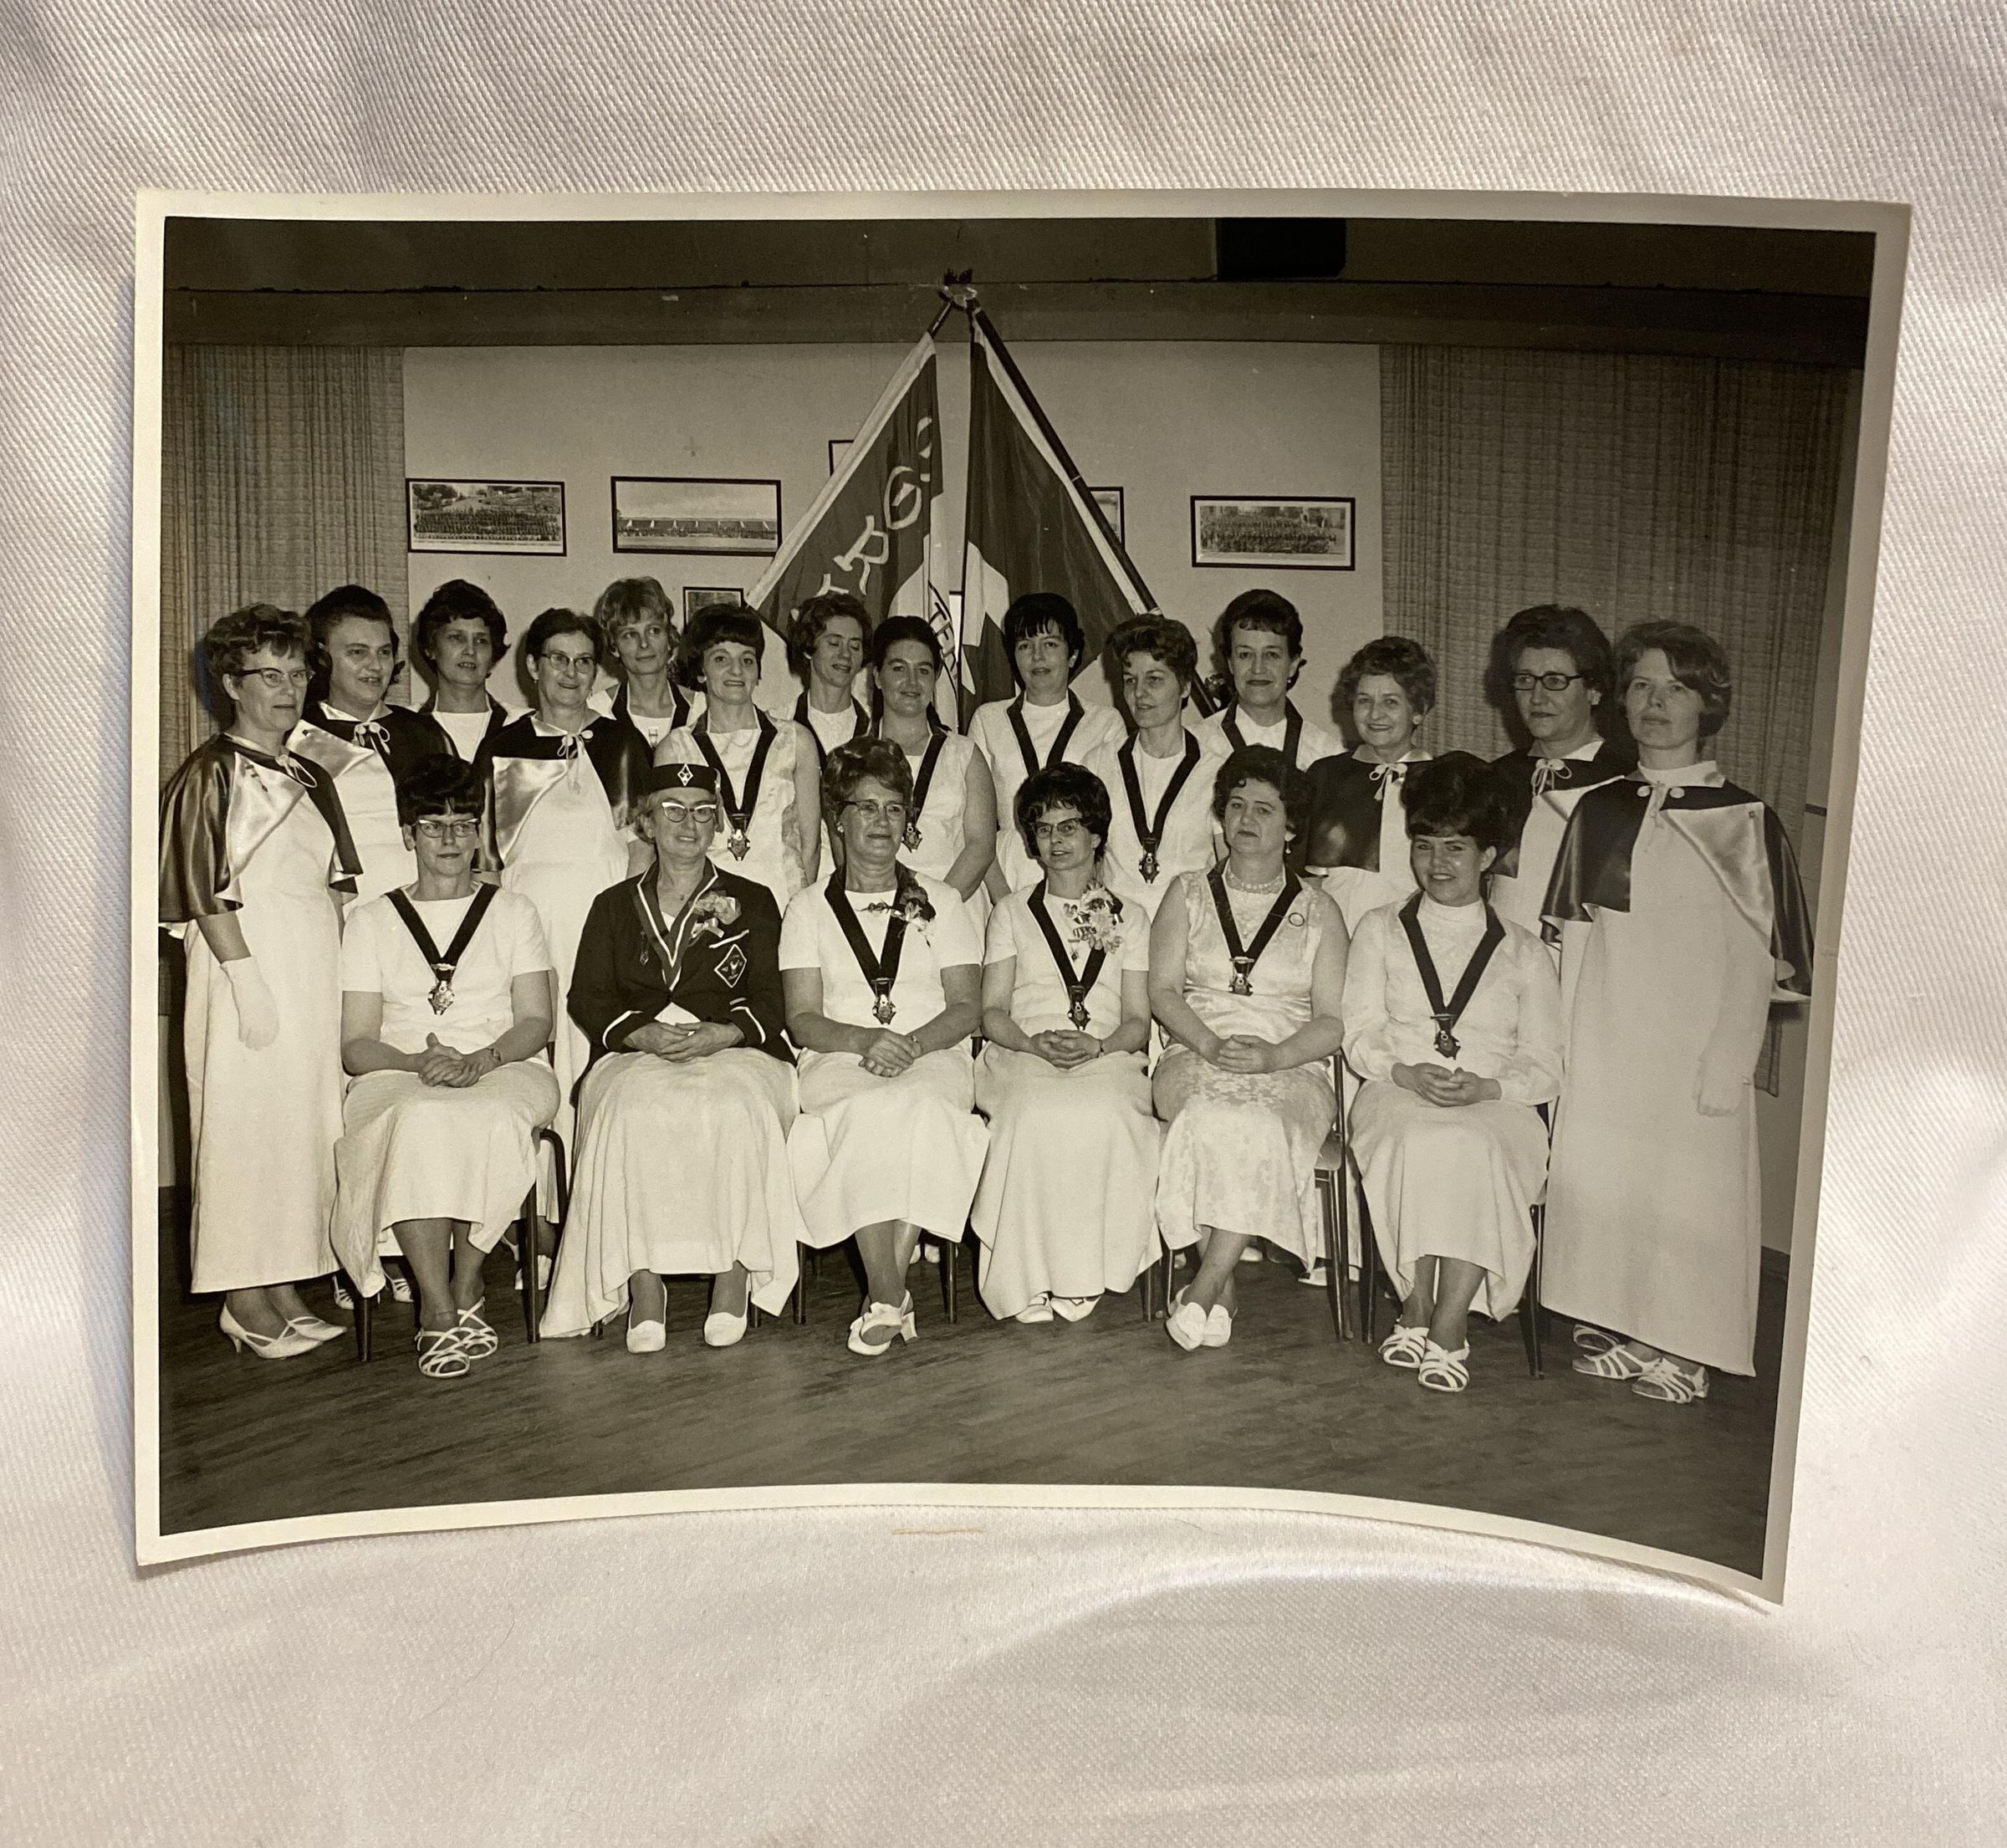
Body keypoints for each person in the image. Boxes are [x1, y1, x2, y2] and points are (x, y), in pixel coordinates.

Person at [1540, 622, 1814, 1404]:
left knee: (1689, 1196)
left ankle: (1688, 1346)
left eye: (1676, 688)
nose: (1656, 703)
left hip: (1695, 1044)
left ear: (1706, 704)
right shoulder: (1597, 810)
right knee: (1618, 1185)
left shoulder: (1745, 820)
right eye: (1641, 686)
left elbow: (1754, 956)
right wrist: (1564, 1047)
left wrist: (1731, 1059)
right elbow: (1577, 938)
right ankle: (1630, 1328)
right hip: (1609, 1033)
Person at [543, 762, 802, 1351]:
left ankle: (734, 1276)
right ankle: (644, 1284)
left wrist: (725, 1033)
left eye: (703, 811)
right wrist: (641, 1035)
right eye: (673, 810)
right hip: (639, 1050)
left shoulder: (754, 900)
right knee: (630, 1112)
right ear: (647, 823)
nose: (689, 823)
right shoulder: (613, 905)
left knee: (736, 1110)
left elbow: (773, 997)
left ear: (718, 824)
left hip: (736, 1048)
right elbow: (588, 997)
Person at [160, 604, 360, 1359]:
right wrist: (246, 981)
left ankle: (282, 1285)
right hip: (245, 972)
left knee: (300, 1132)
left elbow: (337, 885)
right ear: (231, 684)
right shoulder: (209, 774)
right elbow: (200, 890)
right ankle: (242, 1300)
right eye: (268, 676)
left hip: (311, 972)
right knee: (242, 1131)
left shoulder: (312, 772)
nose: (287, 689)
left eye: (297, 674)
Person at [1341, 754, 1565, 1392]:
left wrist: (1489, 1088)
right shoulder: (1379, 929)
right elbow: (1359, 1034)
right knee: (1421, 1137)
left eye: (1456, 848)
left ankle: (1448, 1321)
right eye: (1425, 845)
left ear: (1488, 855)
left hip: (1497, 1101)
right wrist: (1407, 1073)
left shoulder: (1525, 950)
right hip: (1397, 1088)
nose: (1437, 863)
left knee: (1471, 1142)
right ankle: (1415, 1305)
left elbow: (1545, 1063)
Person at [331, 758, 561, 1378]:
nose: (451, 840)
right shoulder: (371, 920)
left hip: (504, 1062)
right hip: (398, 1069)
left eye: (464, 825)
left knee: (486, 1114)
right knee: (418, 1117)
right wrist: (416, 1062)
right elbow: (357, 1046)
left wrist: (482, 1060)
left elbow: (535, 1021)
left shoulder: (515, 911)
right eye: (434, 826)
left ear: (480, 832)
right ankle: (436, 1306)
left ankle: (468, 1282)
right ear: (409, 836)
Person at [781, 739, 988, 1357]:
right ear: (838, 819)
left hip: (932, 1051)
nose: (881, 821)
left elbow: (967, 1006)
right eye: (866, 807)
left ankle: (883, 1298)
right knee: (868, 1111)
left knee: (923, 1108)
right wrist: (864, 1040)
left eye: (894, 808)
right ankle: (891, 1290)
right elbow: (802, 1019)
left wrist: (912, 1045)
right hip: (839, 1054)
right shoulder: (806, 908)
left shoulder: (943, 900)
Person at [1147, 746, 1348, 1350]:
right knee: (1208, 1113)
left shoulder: (1320, 910)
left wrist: (1274, 1058)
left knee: (1258, 1121)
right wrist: (1209, 1045)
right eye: (1236, 805)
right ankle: (1221, 1287)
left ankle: (1207, 1285)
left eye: (1265, 809)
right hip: (1195, 1050)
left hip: (1291, 1062)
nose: (1246, 819)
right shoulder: (1187, 892)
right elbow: (1161, 991)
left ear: (1290, 828)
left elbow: (1332, 1022)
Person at [973, 764, 1160, 1324]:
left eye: (1069, 827)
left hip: (1106, 1052)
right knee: (1032, 1112)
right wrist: (1032, 1044)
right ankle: (1022, 1275)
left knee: (1104, 1112)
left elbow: (1138, 1021)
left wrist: (1099, 1047)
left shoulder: (1132, 917)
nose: (1055, 841)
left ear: (1096, 834)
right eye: (1044, 829)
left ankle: (1083, 1272)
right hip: (1023, 1050)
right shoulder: (1011, 912)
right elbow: (992, 1012)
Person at [473, 609, 653, 1174]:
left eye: (584, 662)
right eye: (558, 659)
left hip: (606, 916)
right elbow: (486, 859)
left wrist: (630, 928)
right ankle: (544, 1208)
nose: (572, 674)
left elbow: (641, 848)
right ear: (533, 667)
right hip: (531, 919)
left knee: (602, 1053)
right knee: (540, 1050)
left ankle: (600, 1194)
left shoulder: (622, 743)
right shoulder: (503, 748)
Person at [289, 585, 451, 902]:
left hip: (421, 906)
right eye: (357, 652)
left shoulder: (425, 734)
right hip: (333, 906)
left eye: (384, 652)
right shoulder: (296, 735)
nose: (375, 666)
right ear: (321, 657)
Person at [1483, 605, 1635, 937]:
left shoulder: (1626, 784)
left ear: (1594, 690)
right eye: (1525, 680)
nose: (1537, 698)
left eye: (1555, 681)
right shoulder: (1494, 779)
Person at [657, 604, 821, 912]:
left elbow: (810, 847)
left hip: (783, 904)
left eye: (747, 660)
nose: (736, 671)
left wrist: (802, 914)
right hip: (707, 908)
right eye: (721, 659)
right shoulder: (676, 748)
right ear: (701, 671)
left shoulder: (796, 740)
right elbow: (671, 847)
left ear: (758, 672)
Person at [968, 592, 1126, 896]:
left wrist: (1093, 891)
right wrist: (1003, 899)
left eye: (1050, 644)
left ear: (1072, 654)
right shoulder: (988, 720)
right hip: (1005, 874)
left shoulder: (1105, 723)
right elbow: (975, 824)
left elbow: (1112, 823)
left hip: (1080, 880)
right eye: (1025, 646)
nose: (1037, 656)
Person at [1085, 614, 1228, 921]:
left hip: (1190, 929)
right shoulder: (1098, 764)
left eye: (1154, 680)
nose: (1139, 693)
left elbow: (1227, 869)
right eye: (1130, 680)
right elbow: (1085, 862)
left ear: (1185, 686)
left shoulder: (1217, 771)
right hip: (1116, 930)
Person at [1301, 636, 1438, 931]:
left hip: (1415, 938)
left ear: (1419, 710)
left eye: (1390, 702)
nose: (1375, 714)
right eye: (1365, 701)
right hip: (1336, 936)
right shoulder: (1325, 776)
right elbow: (1310, 882)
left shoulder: (1442, 779)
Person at [868, 614, 996, 907]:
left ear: (936, 677)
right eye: (898, 668)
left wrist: (931, 910)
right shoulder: (855, 756)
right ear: (877, 677)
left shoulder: (965, 754)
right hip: (877, 908)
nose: (912, 682)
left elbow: (981, 848)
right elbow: (847, 850)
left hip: (955, 906)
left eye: (923, 670)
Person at [1191, 590, 1345, 780]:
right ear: (1230, 663)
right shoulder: (1195, 745)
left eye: (1272, 655)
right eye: (1245, 655)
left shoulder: (1327, 754)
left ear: (1293, 664)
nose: (1258, 668)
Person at [590, 577, 703, 752]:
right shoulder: (596, 711)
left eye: (654, 631)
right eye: (629, 634)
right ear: (614, 646)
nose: (644, 643)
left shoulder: (702, 710)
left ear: (669, 638)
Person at [412, 579, 516, 761]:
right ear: (431, 648)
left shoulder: (520, 724)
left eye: (481, 641)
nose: (470, 650)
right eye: (456, 638)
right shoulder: (407, 727)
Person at [788, 590, 872, 769]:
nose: (846, 654)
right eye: (834, 643)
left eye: (855, 646)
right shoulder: (780, 723)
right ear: (809, 648)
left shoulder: (874, 729)